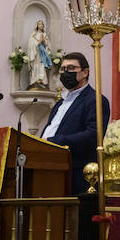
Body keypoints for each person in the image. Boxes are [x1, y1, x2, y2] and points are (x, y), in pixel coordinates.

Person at [40, 51, 110, 191]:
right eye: (63, 69)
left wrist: (54, 142)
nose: (66, 72)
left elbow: (93, 135)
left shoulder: (95, 100)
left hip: (76, 173)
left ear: (85, 72)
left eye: (71, 68)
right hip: (48, 169)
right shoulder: (60, 103)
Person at [26, 19, 54, 90]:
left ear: (43, 26)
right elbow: (30, 45)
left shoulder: (44, 35)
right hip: (36, 54)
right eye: (39, 24)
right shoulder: (33, 35)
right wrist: (38, 42)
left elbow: (48, 45)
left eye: (42, 24)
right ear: (37, 26)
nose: (40, 25)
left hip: (43, 53)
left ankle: (42, 81)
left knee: (42, 66)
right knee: (36, 66)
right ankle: (35, 81)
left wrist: (44, 41)